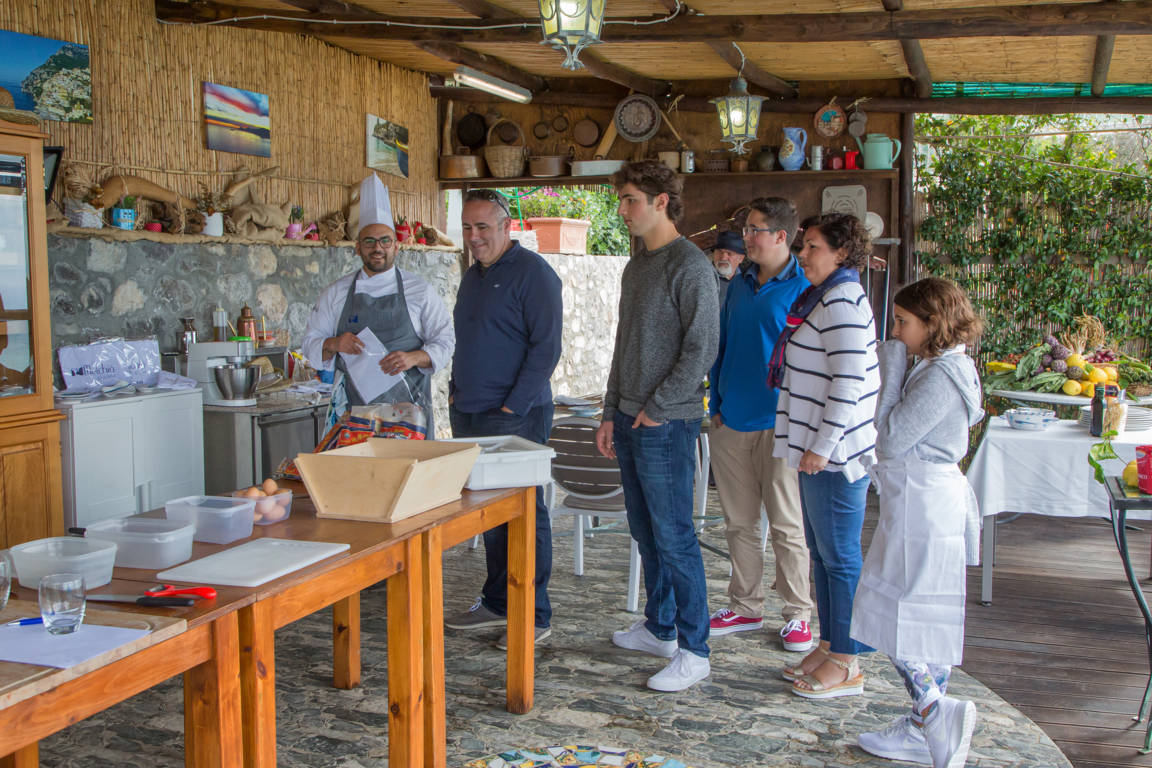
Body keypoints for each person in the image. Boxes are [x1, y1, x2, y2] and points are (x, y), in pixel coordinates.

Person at [596, 160, 719, 692]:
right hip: (628, 416)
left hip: (666, 423)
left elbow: (702, 349)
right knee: (646, 530)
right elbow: (624, 346)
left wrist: (659, 406)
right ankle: (660, 627)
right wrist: (609, 411)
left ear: (661, 201)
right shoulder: (635, 264)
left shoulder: (691, 266)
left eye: (630, 200)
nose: (622, 210)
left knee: (675, 536)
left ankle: (696, 650)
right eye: (622, 200)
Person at [852, 277, 984, 768]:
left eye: (903, 322)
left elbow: (888, 438)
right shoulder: (945, 366)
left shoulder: (938, 377)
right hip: (926, 500)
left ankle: (934, 709)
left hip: (924, 504)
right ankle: (922, 727)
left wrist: (889, 369)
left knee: (890, 612)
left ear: (934, 324)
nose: (895, 330)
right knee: (926, 616)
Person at [443, 188, 563, 649]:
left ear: (507, 226)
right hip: (470, 412)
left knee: (524, 514)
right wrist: (457, 393)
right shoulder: (474, 274)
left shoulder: (534, 274)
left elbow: (546, 349)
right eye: (468, 228)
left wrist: (513, 405)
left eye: (483, 227)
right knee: (488, 516)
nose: (474, 237)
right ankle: (497, 602)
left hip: (515, 417)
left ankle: (533, 614)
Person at [768, 212, 879, 699]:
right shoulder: (824, 297)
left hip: (835, 455)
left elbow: (850, 384)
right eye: (803, 245)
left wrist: (822, 445)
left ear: (841, 253)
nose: (802, 254)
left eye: (812, 247)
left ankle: (848, 661)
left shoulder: (843, 303)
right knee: (824, 555)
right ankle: (832, 644)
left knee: (840, 559)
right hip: (817, 451)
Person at [707, 197, 814, 652]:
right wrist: (716, 400)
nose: (746, 237)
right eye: (746, 228)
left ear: (780, 237)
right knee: (738, 522)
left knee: (787, 524)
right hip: (731, 420)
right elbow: (723, 343)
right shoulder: (738, 283)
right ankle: (746, 605)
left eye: (755, 229)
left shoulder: (807, 287)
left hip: (782, 424)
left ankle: (798, 614)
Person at [301, 174, 454, 435]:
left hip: (410, 417)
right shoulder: (336, 293)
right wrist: (336, 344)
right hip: (354, 416)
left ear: (397, 246)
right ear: (357, 248)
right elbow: (309, 345)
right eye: (369, 241)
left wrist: (415, 357)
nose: (378, 248)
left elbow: (446, 340)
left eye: (385, 241)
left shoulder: (419, 291)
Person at [708, 229, 746, 305]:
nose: (723, 258)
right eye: (720, 251)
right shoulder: (704, 278)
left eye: (729, 253)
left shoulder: (747, 282)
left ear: (741, 258)